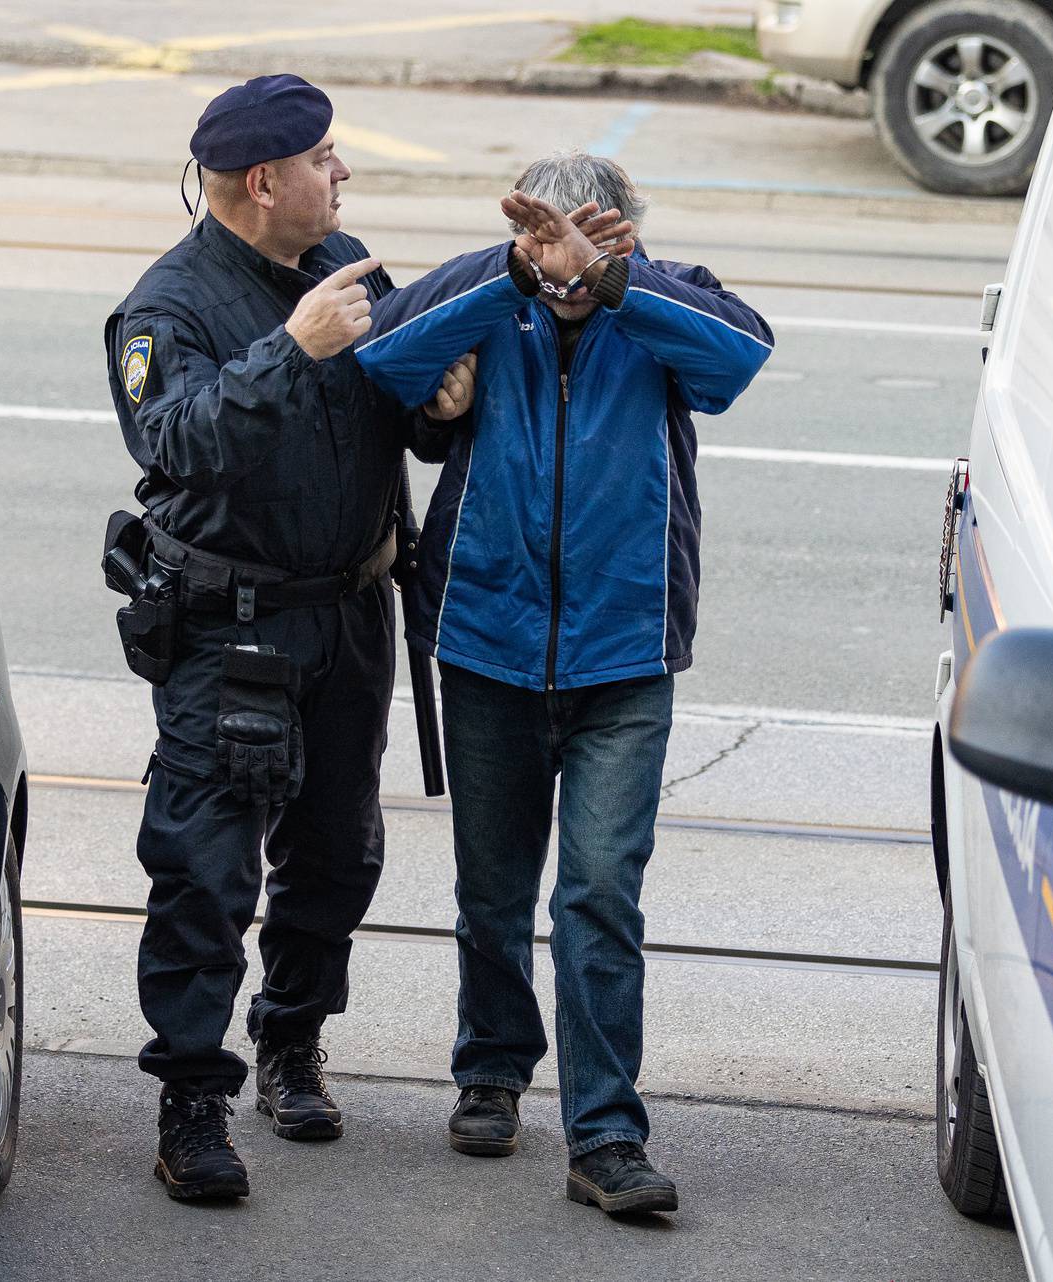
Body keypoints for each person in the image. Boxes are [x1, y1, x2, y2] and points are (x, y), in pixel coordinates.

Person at [355, 152, 774, 1216]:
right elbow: (384, 361)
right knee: (491, 893)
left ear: (629, 230)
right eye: (551, 235)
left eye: (590, 235)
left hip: (625, 656)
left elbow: (741, 359)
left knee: (597, 894)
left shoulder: (672, 299)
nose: (567, 261)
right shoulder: (491, 294)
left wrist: (618, 280)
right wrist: (514, 270)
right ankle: (491, 1068)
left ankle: (604, 1135)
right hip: (486, 641)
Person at [101, 74, 479, 1202]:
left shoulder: (344, 263)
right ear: (263, 184)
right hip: (234, 629)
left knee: (335, 851)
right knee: (205, 868)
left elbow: (401, 406)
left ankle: (291, 1038)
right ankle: (191, 1103)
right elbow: (174, 441)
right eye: (323, 159)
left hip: (352, 613)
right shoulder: (168, 307)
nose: (341, 174)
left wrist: (439, 408)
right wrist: (293, 349)